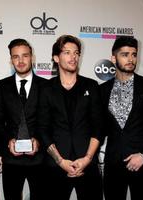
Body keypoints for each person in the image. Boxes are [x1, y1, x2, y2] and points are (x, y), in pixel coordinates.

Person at [100, 36, 143, 200]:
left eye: (134, 54)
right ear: (113, 58)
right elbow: (99, 129)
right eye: (125, 54)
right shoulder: (102, 90)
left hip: (141, 164)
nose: (131, 59)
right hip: (113, 164)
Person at [37, 35, 103, 200]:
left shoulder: (91, 86)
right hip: (56, 166)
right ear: (56, 58)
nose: (73, 57)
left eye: (76, 53)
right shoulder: (46, 89)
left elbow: (98, 127)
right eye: (67, 52)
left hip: (87, 165)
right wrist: (61, 161)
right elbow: (42, 129)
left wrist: (87, 159)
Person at [0, 38, 46, 200]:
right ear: (11, 60)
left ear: (32, 57)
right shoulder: (1, 86)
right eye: (16, 57)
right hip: (11, 159)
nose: (21, 60)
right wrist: (7, 141)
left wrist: (39, 141)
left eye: (25, 55)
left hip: (40, 159)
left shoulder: (47, 86)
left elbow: (50, 121)